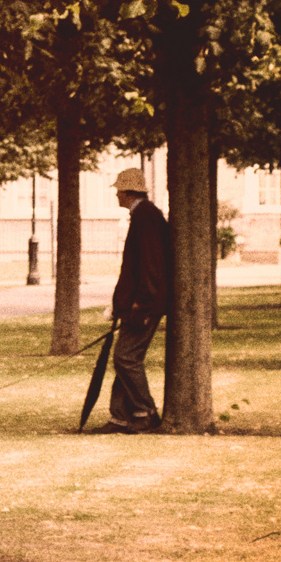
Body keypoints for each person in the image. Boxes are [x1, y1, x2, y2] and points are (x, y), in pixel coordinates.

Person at [94, 167, 171, 434]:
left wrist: (142, 303)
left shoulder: (145, 217)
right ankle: (120, 417)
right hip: (137, 303)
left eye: (118, 190)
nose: (116, 194)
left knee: (125, 357)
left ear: (127, 192)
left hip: (144, 305)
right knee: (124, 358)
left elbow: (151, 264)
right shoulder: (143, 215)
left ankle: (145, 411)